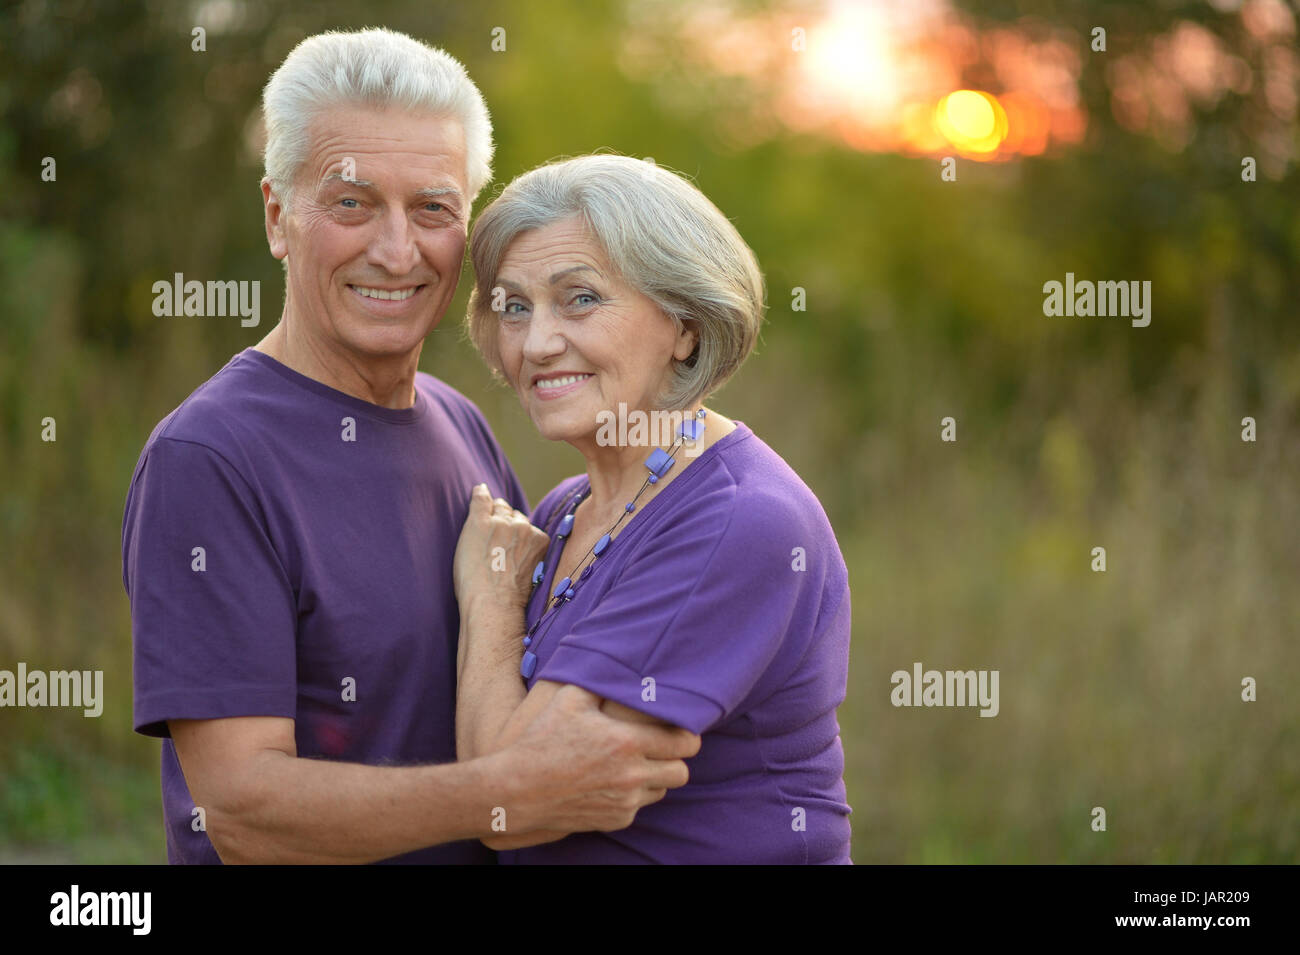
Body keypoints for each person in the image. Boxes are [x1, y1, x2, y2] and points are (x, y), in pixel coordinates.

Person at [121, 28, 698, 865]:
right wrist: (514, 791)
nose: (397, 251)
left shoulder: (459, 422)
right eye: (352, 203)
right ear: (280, 218)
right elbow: (243, 813)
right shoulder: (209, 458)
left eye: (432, 208)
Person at [455, 154, 853, 863]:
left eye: (579, 298)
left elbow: (508, 807)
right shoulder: (563, 511)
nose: (538, 342)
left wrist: (490, 607)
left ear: (685, 327)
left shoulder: (740, 519)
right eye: (515, 305)